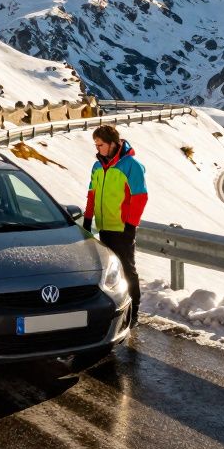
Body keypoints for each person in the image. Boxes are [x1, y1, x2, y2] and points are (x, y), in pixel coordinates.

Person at [83, 124, 147, 325]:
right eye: (96, 144)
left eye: (100, 144)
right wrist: (87, 219)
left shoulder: (131, 166)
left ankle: (134, 312)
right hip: (104, 227)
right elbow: (92, 194)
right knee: (109, 272)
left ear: (112, 144)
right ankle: (115, 311)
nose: (98, 148)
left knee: (127, 271)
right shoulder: (97, 166)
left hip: (122, 229)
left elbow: (140, 197)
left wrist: (130, 226)